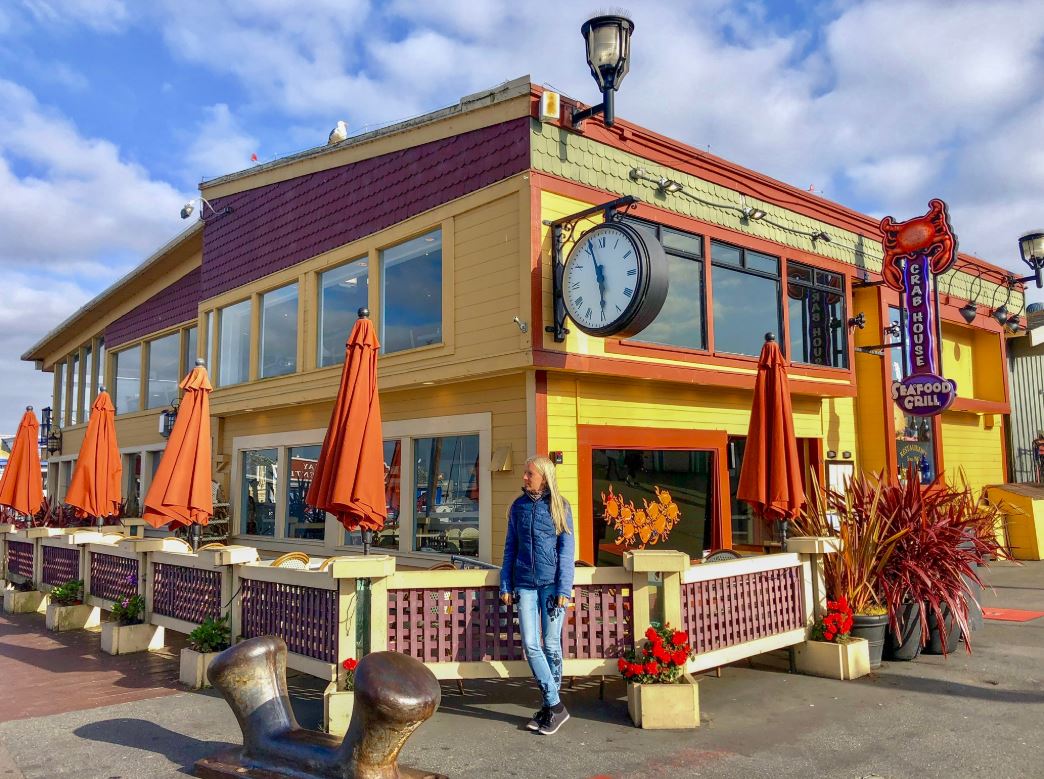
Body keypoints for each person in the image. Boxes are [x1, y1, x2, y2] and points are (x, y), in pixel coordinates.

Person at [500, 455, 575, 736]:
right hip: (525, 584)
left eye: (529, 473)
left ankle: (548, 708)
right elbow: (510, 549)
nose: (524, 477)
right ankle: (555, 706)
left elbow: (567, 552)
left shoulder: (560, 507)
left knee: (552, 645)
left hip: (552, 587)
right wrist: (505, 584)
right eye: (525, 472)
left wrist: (564, 590)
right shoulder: (518, 507)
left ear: (543, 476)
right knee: (531, 644)